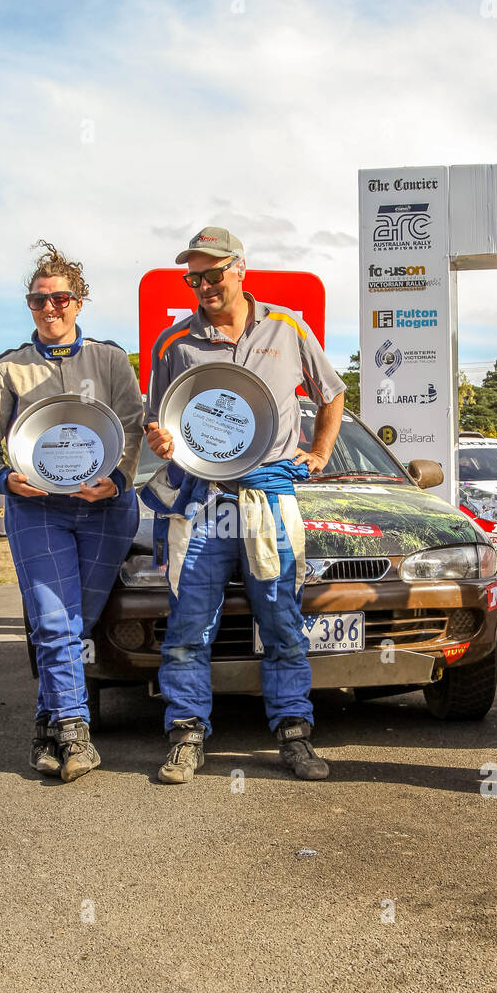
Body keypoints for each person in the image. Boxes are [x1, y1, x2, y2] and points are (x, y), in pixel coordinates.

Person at [143, 225, 345, 785]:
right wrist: (160, 440)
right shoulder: (174, 343)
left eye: (212, 273)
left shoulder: (286, 325)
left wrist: (322, 450)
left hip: (270, 497)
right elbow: (159, 420)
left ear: (239, 270)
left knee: (281, 620)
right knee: (188, 625)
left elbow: (331, 393)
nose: (203, 285)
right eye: (193, 277)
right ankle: (186, 734)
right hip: (201, 500)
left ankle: (294, 734)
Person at [0, 241, 143, 781]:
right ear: (30, 305)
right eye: (39, 300)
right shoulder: (9, 368)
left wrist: (116, 480)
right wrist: (2, 478)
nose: (50, 309)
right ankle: (74, 731)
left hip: (107, 510)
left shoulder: (111, 360)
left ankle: (46, 725)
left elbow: (133, 428)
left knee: (70, 623)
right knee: (51, 620)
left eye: (61, 299)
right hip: (37, 509)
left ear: (79, 302)